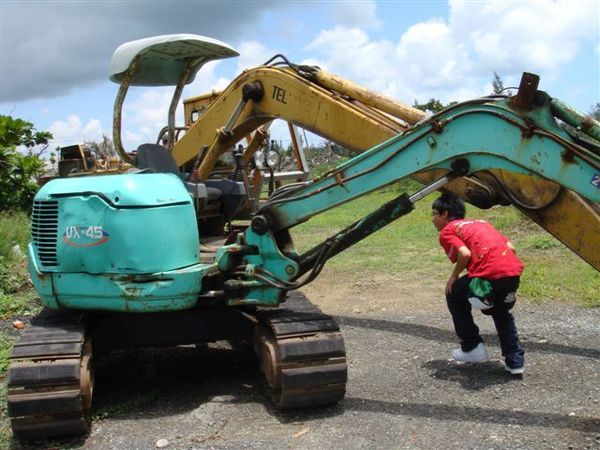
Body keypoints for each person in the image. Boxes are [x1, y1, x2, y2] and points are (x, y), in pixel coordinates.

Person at [431, 192, 525, 375]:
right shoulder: (482, 223)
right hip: (513, 273)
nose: (432, 219)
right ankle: (515, 361)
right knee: (501, 311)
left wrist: (453, 277)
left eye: (434, 213)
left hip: (489, 275)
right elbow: (511, 248)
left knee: (454, 293)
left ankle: (472, 347)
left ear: (444, 214)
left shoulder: (449, 230)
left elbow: (464, 254)